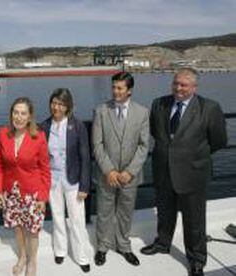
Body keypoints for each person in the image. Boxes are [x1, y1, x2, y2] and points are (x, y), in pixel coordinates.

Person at [140, 68, 227, 276]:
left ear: (194, 88)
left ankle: (197, 259)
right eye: (175, 83)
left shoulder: (209, 108)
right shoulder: (159, 104)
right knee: (164, 212)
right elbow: (156, 132)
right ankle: (162, 243)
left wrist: (193, 156)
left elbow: (218, 141)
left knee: (194, 219)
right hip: (163, 170)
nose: (178, 88)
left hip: (193, 173)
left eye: (183, 85)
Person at [92, 72, 150, 267]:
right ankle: (102, 246)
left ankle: (124, 246)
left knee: (126, 212)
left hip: (129, 176)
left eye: (120, 88)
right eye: (114, 87)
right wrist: (109, 170)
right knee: (104, 211)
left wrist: (129, 172)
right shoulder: (100, 111)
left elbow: (144, 146)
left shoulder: (142, 113)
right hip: (106, 175)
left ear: (129, 90)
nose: (115, 91)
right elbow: (97, 145)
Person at [0, 97, 51, 276]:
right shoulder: (3, 134)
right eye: (15, 112)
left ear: (30, 116)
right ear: (11, 114)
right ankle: (23, 257)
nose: (18, 117)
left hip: (32, 193)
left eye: (23, 113)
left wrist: (43, 197)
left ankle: (32, 262)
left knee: (32, 231)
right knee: (18, 227)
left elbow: (45, 169)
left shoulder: (38, 137)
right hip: (11, 192)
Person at [40, 88, 91, 273]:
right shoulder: (44, 126)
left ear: (67, 105)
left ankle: (81, 256)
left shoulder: (77, 126)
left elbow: (85, 157)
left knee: (77, 220)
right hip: (53, 180)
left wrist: (84, 185)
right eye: (54, 102)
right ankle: (60, 250)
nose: (56, 107)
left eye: (61, 103)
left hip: (73, 180)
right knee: (58, 217)